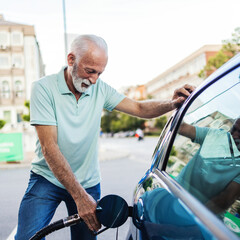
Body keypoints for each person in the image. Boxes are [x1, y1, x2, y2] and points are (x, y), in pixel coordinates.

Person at [15, 34, 194, 240]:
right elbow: (49, 147)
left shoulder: (100, 88)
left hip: (88, 181)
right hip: (47, 179)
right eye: (89, 71)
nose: (93, 80)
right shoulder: (44, 88)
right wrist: (80, 197)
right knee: (26, 238)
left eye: (99, 73)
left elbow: (138, 107)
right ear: (71, 59)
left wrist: (171, 104)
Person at [176, 119, 240, 215]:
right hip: (175, 196)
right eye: (234, 129)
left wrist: (193, 218)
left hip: (203, 217)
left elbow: (225, 199)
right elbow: (181, 128)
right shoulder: (215, 135)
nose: (234, 135)